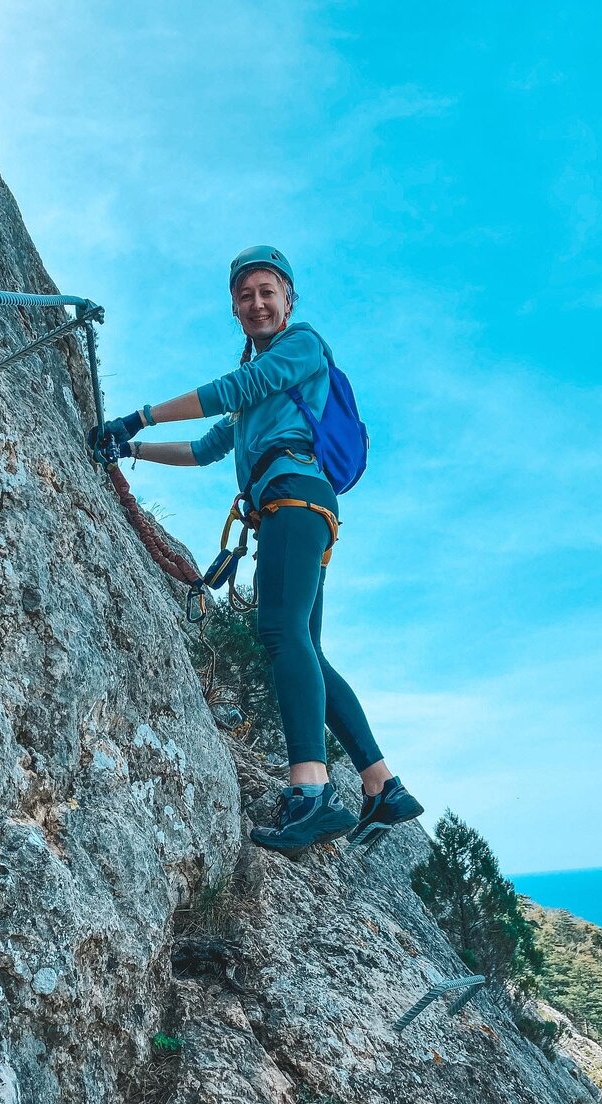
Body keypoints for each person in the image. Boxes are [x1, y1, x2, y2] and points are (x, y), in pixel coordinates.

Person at [89, 246, 423, 860]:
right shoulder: (257, 401)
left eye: (267, 291)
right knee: (306, 648)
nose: (257, 302)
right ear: (235, 310)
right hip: (294, 506)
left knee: (279, 631)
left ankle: (311, 794)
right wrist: (130, 451)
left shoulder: (302, 347)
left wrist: (137, 417)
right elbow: (208, 447)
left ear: (288, 300)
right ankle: (381, 784)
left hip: (293, 499)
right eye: (245, 295)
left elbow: (238, 385)